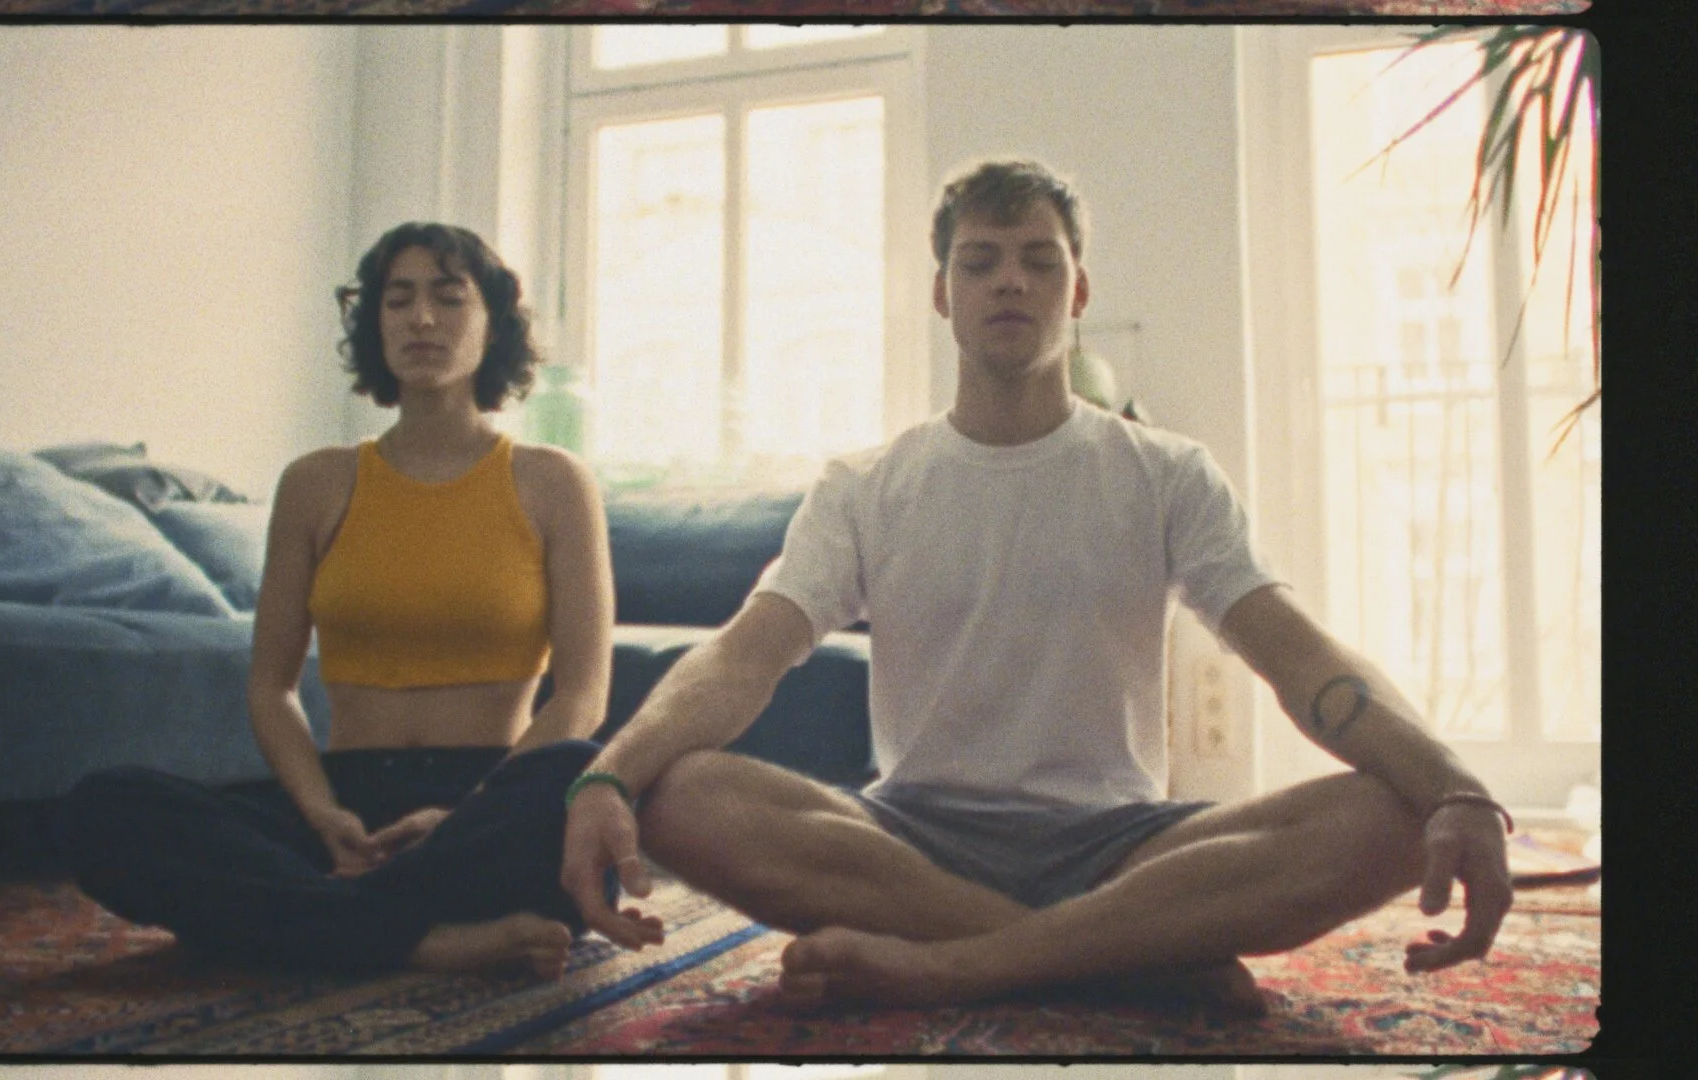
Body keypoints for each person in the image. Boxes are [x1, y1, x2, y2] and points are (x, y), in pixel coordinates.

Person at [559, 160, 1515, 1010]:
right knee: (680, 793)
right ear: (942, 293)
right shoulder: (864, 486)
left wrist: (1457, 788)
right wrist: (610, 774)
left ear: (1078, 287)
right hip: (908, 841)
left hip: (1127, 848)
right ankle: (1124, 961)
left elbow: (1297, 654)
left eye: (1038, 260)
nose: (1009, 280)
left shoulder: (1166, 472)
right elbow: (743, 655)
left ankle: (960, 964)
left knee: (1394, 814)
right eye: (979, 261)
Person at [64, 222, 653, 977]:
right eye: (397, 300)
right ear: (374, 324)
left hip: (489, 804)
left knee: (577, 773)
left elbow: (582, 694)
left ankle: (304, 922)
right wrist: (322, 816)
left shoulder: (553, 482)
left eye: (449, 298)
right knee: (106, 808)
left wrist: (461, 815)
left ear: (494, 323)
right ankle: (423, 941)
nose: (422, 319)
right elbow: (271, 687)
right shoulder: (315, 483)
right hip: (344, 808)